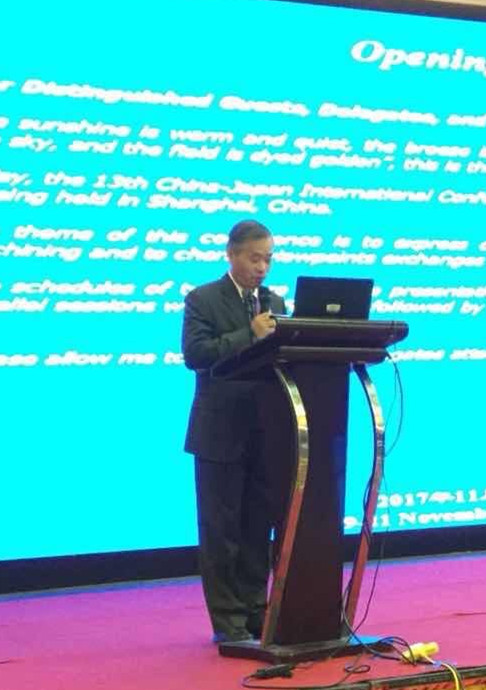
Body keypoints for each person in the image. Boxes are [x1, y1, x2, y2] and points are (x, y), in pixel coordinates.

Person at [182, 219, 287, 643]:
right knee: (221, 531)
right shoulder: (203, 298)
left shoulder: (274, 301)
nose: (262, 268)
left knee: (257, 529)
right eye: (254, 258)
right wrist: (250, 334)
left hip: (265, 430)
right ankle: (227, 622)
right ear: (231, 254)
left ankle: (257, 612)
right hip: (219, 431)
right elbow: (196, 354)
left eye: (268, 260)